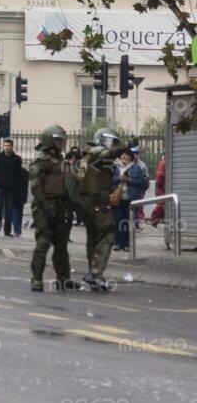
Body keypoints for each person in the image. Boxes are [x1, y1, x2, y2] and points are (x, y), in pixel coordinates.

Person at [29, 125, 80, 292]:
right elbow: (36, 188)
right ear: (48, 141)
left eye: (62, 140)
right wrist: (45, 207)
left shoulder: (61, 160)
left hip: (62, 206)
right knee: (43, 242)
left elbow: (68, 183)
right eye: (57, 140)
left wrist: (70, 204)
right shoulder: (41, 161)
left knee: (61, 244)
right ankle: (36, 279)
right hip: (45, 206)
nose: (61, 142)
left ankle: (63, 278)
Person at [76, 128, 126, 291]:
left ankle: (92, 273)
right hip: (97, 201)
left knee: (93, 237)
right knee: (109, 233)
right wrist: (125, 146)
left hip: (87, 201)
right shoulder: (98, 151)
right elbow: (107, 155)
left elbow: (79, 175)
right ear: (105, 140)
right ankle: (96, 274)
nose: (114, 146)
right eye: (113, 142)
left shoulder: (87, 154)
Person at [112, 149, 148, 251]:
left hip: (131, 199)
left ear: (130, 157)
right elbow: (111, 181)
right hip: (118, 199)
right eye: (122, 154)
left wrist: (128, 180)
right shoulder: (116, 168)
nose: (123, 156)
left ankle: (127, 244)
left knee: (128, 222)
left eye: (126, 154)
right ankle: (118, 243)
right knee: (118, 220)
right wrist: (120, 178)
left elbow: (142, 182)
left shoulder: (137, 168)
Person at [0, 139, 23, 237]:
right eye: (5, 145)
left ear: (12, 147)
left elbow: (18, 173)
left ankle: (7, 231)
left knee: (9, 210)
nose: (6, 147)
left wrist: (14, 183)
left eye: (8, 145)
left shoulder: (16, 159)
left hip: (11, 188)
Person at [150, 153, 167, 227]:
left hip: (161, 187)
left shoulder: (163, 162)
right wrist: (161, 187)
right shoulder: (163, 163)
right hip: (161, 188)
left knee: (163, 205)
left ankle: (155, 221)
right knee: (161, 205)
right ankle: (153, 220)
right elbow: (160, 176)